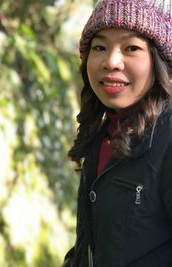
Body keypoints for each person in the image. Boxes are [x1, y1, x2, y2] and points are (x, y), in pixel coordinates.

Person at [62, 0, 172, 266]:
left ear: (159, 61)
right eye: (99, 47)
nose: (111, 61)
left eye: (131, 48)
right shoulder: (102, 134)